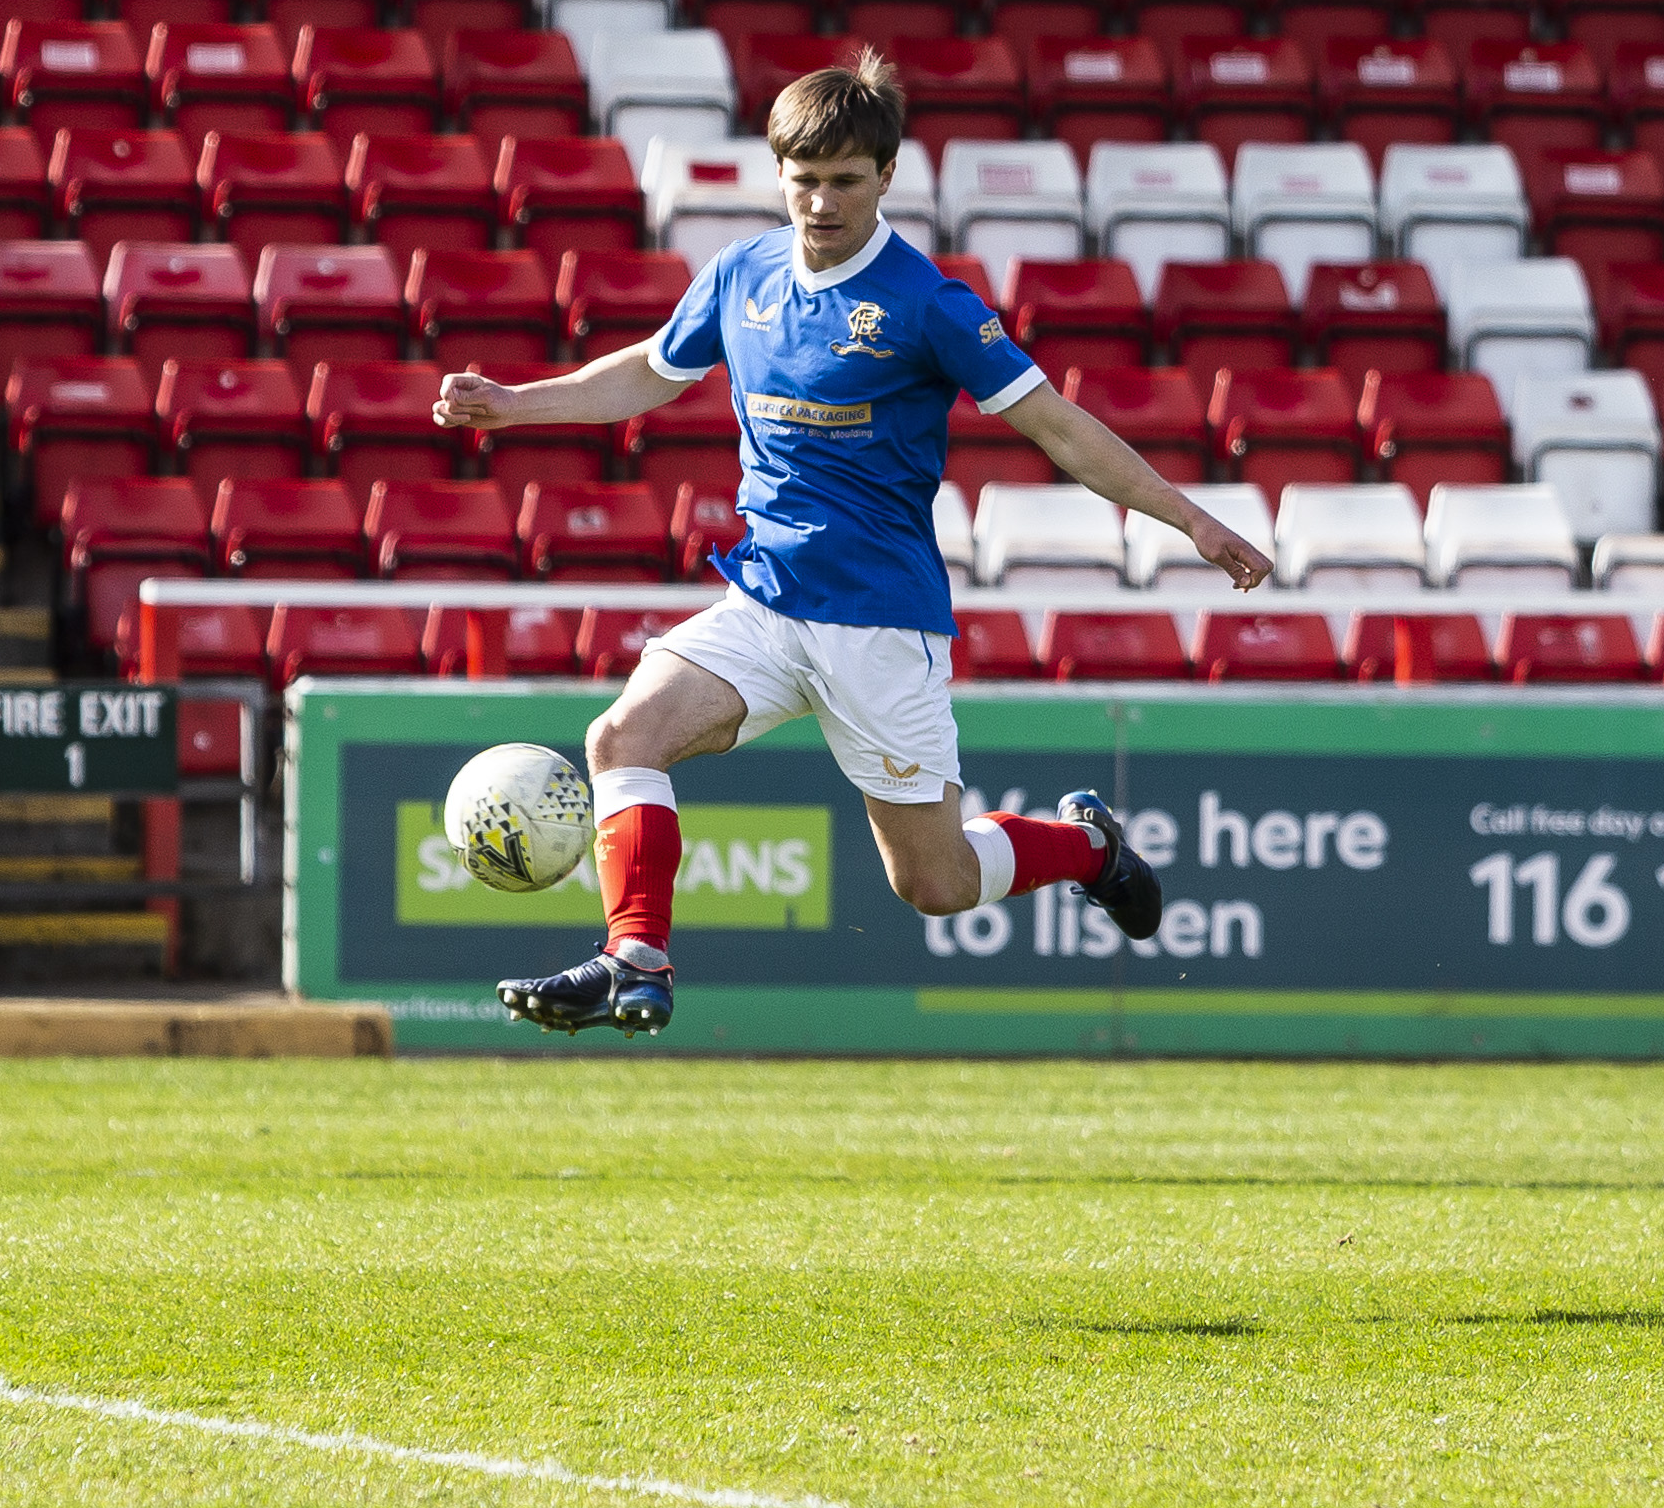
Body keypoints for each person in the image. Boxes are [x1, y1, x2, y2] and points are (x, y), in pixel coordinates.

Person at [432, 52, 1274, 1036]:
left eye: (843, 179)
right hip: (764, 598)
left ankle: (1086, 849)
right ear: (778, 173)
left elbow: (1058, 427)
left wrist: (1193, 520)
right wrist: (516, 404)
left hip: (879, 625)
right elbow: (652, 373)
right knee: (623, 736)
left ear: (884, 177)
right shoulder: (741, 274)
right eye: (804, 178)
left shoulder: (927, 304)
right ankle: (635, 957)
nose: (822, 200)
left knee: (935, 882)